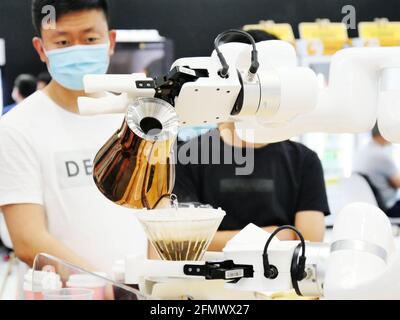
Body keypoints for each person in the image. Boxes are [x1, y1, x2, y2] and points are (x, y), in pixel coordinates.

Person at [0, 0, 147, 274]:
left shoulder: (134, 118)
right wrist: (105, 289)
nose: (78, 50)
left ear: (110, 41)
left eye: (90, 38)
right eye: (63, 42)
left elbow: (155, 213)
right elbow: (28, 240)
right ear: (41, 49)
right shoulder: (16, 128)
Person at [173, 30, 329, 251]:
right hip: (205, 284)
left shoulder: (303, 160)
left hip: (283, 283)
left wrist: (218, 240)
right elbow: (182, 242)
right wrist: (274, 236)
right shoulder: (189, 156)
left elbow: (311, 242)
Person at [353, 125, 400, 217]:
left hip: (370, 206)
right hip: (388, 208)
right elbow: (398, 182)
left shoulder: (361, 151)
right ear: (384, 134)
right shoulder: (381, 156)